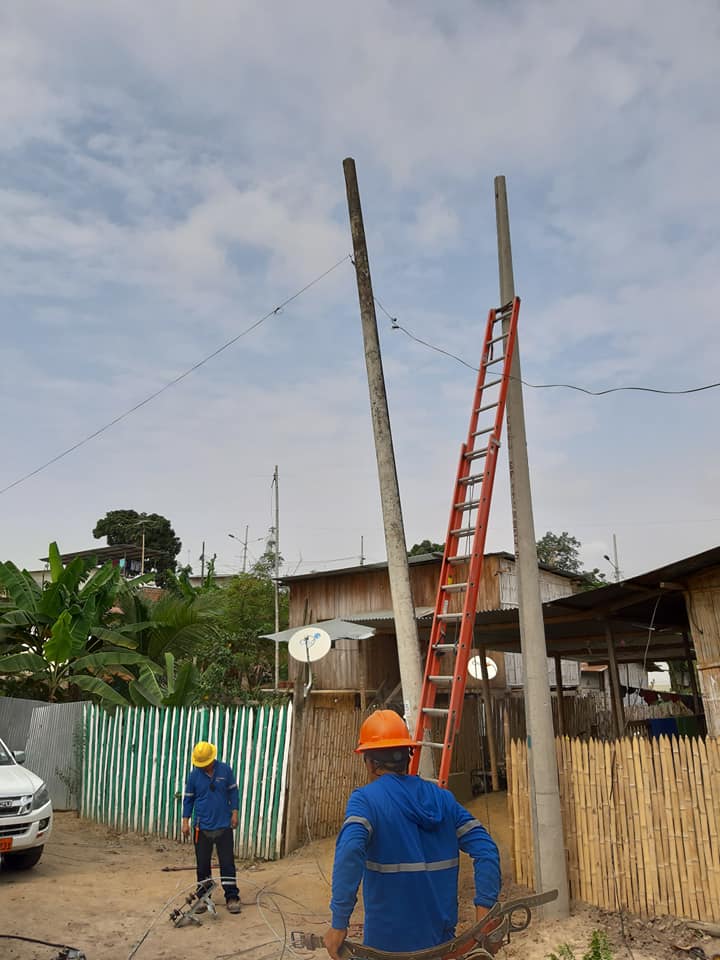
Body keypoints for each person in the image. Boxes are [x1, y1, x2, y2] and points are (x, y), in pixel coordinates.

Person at [325, 710, 501, 957]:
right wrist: (484, 917)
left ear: (371, 762)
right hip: (442, 947)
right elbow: (486, 850)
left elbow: (351, 850)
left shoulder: (365, 801)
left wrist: (339, 922)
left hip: (386, 950)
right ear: (408, 757)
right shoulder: (443, 800)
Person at [182, 741, 242, 914]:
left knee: (227, 863)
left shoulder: (225, 770)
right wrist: (185, 822)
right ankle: (203, 897)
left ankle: (231, 896)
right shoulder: (194, 776)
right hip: (202, 828)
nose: (203, 766)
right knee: (202, 865)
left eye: (205, 763)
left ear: (212, 758)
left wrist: (235, 812)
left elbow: (233, 792)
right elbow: (188, 799)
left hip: (224, 825)